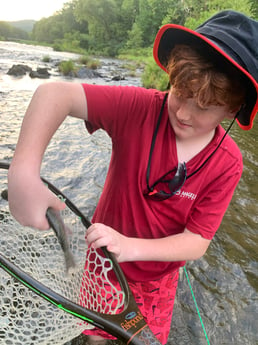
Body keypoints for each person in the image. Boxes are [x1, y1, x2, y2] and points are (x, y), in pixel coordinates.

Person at [8, 10, 258, 345]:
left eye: (204, 106)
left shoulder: (228, 163)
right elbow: (55, 95)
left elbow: (197, 243)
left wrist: (129, 246)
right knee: (96, 337)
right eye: (181, 93)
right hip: (102, 264)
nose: (184, 113)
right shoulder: (137, 108)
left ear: (232, 109)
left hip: (158, 281)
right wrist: (24, 169)